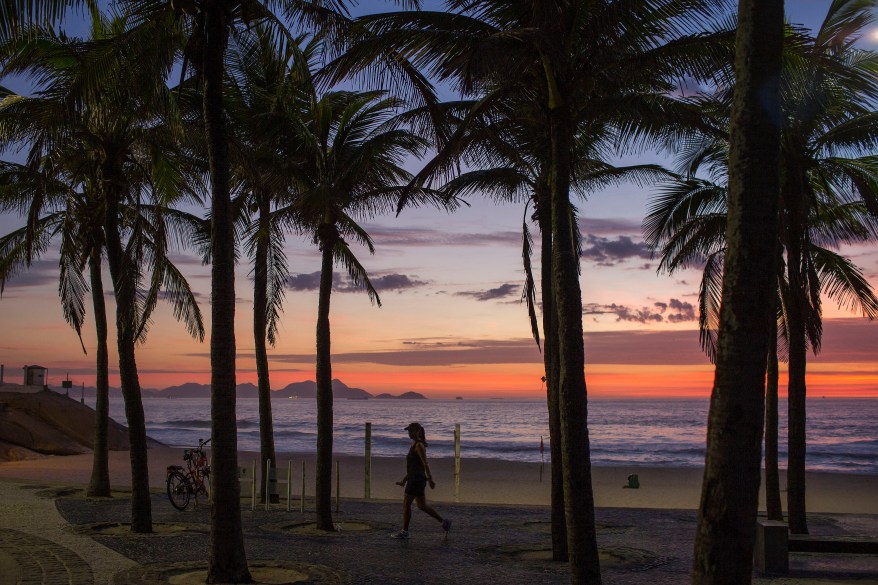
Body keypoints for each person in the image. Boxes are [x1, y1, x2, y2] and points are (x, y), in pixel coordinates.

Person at [391, 422, 451, 539]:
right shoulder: (415, 445)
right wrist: (404, 480)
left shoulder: (419, 446)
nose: (410, 433)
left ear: (418, 431)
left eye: (412, 431)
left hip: (416, 480)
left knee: (406, 504)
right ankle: (444, 522)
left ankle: (405, 532)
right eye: (409, 431)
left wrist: (430, 479)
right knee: (421, 505)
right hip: (416, 479)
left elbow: (424, 464)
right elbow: (413, 467)